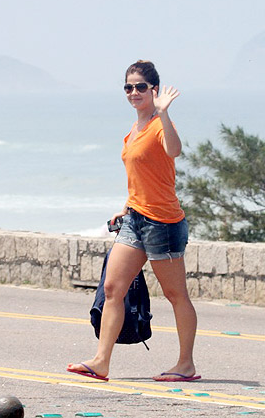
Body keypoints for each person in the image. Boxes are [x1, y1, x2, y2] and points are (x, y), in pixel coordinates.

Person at [67, 60, 199, 382]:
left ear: (154, 89)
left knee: (175, 294)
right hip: (135, 219)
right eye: (129, 87)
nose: (134, 92)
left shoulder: (157, 125)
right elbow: (141, 178)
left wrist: (165, 112)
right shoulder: (134, 130)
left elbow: (175, 149)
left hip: (163, 223)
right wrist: (126, 208)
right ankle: (101, 361)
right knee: (113, 288)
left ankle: (185, 364)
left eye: (141, 86)